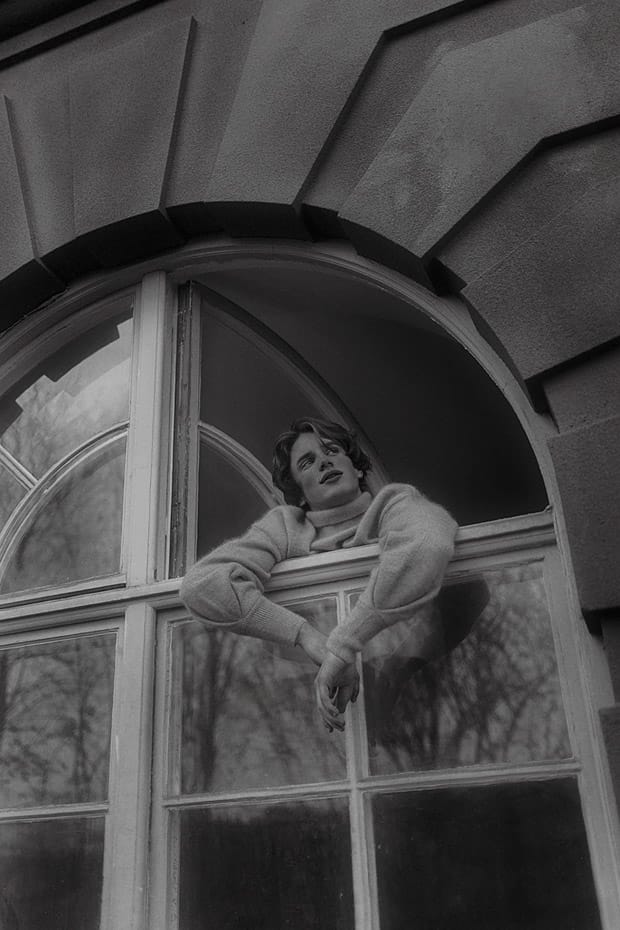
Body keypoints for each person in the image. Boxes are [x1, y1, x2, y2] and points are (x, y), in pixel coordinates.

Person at [180, 418, 458, 731]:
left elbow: (426, 545)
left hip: (432, 700)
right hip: (302, 716)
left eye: (332, 450)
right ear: (299, 491)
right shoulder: (288, 527)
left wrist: (344, 648)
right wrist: (306, 636)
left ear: (358, 468)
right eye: (307, 462)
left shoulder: (394, 504)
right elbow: (202, 586)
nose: (324, 461)